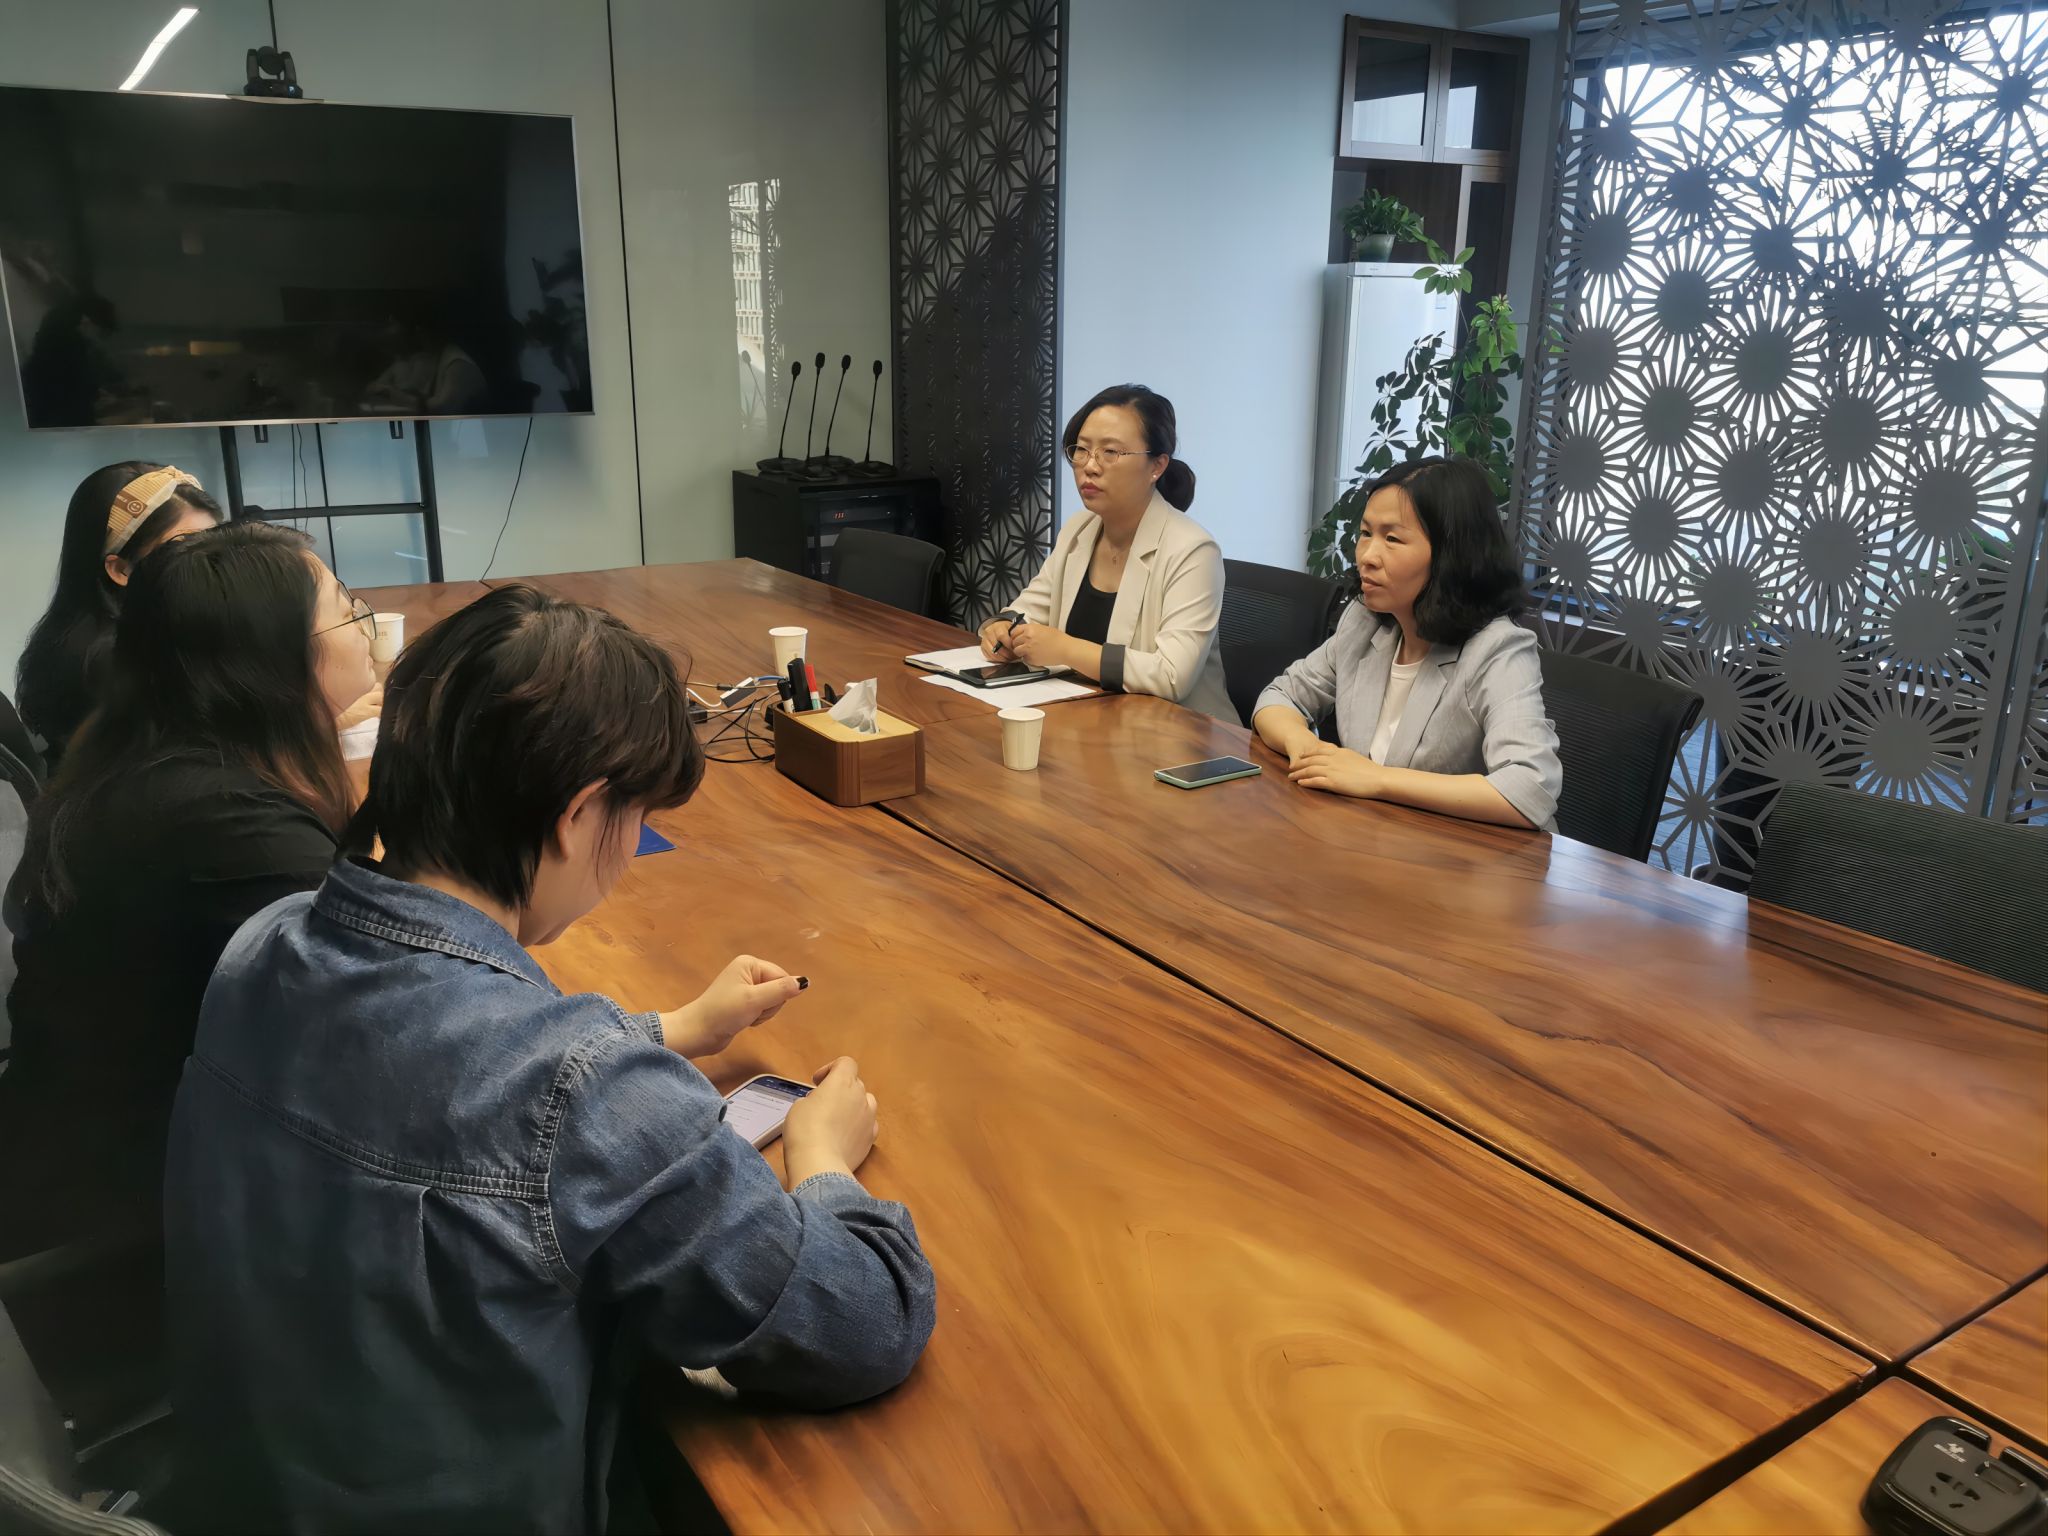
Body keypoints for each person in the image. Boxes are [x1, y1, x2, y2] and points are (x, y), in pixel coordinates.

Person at [164, 584, 936, 1534]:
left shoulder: (265, 943)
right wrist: (821, 1163)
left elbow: (438, 1077)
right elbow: (863, 1325)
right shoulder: (581, 1092)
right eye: (634, 818)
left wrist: (664, 1030)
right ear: (578, 815)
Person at [0, 522, 370, 1263]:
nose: (363, 625)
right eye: (346, 610)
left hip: (83, 1158)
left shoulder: (151, 757)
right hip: (134, 1233)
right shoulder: (228, 823)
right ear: (272, 656)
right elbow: (388, 1025)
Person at [1252, 456, 1561, 830]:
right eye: (1366, 533)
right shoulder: (1364, 622)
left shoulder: (1497, 650)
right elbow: (1279, 697)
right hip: (1373, 835)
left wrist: (1376, 779)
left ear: (1450, 555)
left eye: (1392, 539)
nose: (1367, 556)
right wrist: (1308, 749)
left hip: (1471, 855)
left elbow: (1530, 789)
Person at [977, 383, 1236, 721]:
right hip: (1094, 719)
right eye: (1081, 450)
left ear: (1157, 466)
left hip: (1183, 734)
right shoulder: (1080, 529)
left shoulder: (1193, 550)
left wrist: (1066, 649)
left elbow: (1172, 675)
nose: (1090, 466)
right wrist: (1002, 628)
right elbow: (1029, 608)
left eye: (1110, 452)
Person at [14, 462, 224, 770]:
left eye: (215, 542)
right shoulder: (114, 663)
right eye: (187, 548)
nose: (214, 563)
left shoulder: (89, 634)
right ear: (120, 569)